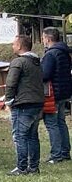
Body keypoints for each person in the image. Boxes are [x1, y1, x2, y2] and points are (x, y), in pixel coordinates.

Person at [5, 35, 45, 175]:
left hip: (23, 104)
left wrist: (8, 100)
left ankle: (21, 167)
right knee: (33, 136)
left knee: (20, 136)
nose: (12, 46)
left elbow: (11, 83)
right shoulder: (36, 62)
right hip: (37, 102)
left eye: (14, 44)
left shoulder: (19, 62)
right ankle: (33, 167)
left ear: (20, 46)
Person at [40, 27, 71, 163]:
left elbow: (45, 74)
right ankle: (65, 151)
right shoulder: (64, 52)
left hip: (53, 93)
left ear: (48, 38)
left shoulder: (51, 54)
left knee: (52, 123)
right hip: (64, 90)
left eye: (43, 38)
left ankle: (56, 154)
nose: (42, 41)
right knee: (61, 122)